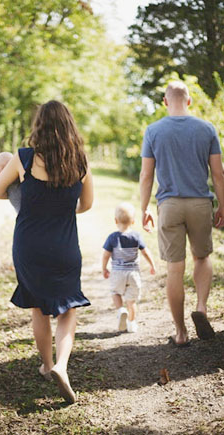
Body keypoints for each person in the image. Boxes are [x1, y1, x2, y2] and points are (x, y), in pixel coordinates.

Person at [0, 100, 93, 403]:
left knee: (38, 307)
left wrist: (29, 200)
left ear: (39, 126)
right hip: (64, 246)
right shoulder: (81, 162)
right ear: (69, 127)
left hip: (29, 245)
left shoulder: (23, 158)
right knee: (67, 309)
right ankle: (62, 364)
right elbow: (86, 205)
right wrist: (61, 208)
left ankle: (46, 365)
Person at [140, 80, 224, 346]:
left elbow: (146, 175)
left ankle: (181, 332)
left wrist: (143, 209)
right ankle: (200, 306)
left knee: (175, 269)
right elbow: (218, 174)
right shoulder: (207, 128)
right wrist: (222, 204)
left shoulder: (153, 131)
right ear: (189, 101)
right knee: (202, 257)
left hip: (169, 206)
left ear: (165, 101)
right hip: (200, 203)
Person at [102, 202, 155, 333]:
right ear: (133, 221)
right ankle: (131, 324)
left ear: (115, 220)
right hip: (133, 273)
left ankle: (121, 310)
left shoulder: (112, 237)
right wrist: (152, 265)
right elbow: (145, 252)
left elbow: (106, 255)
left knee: (115, 292)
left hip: (118, 272)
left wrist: (104, 268)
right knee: (132, 301)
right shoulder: (136, 236)